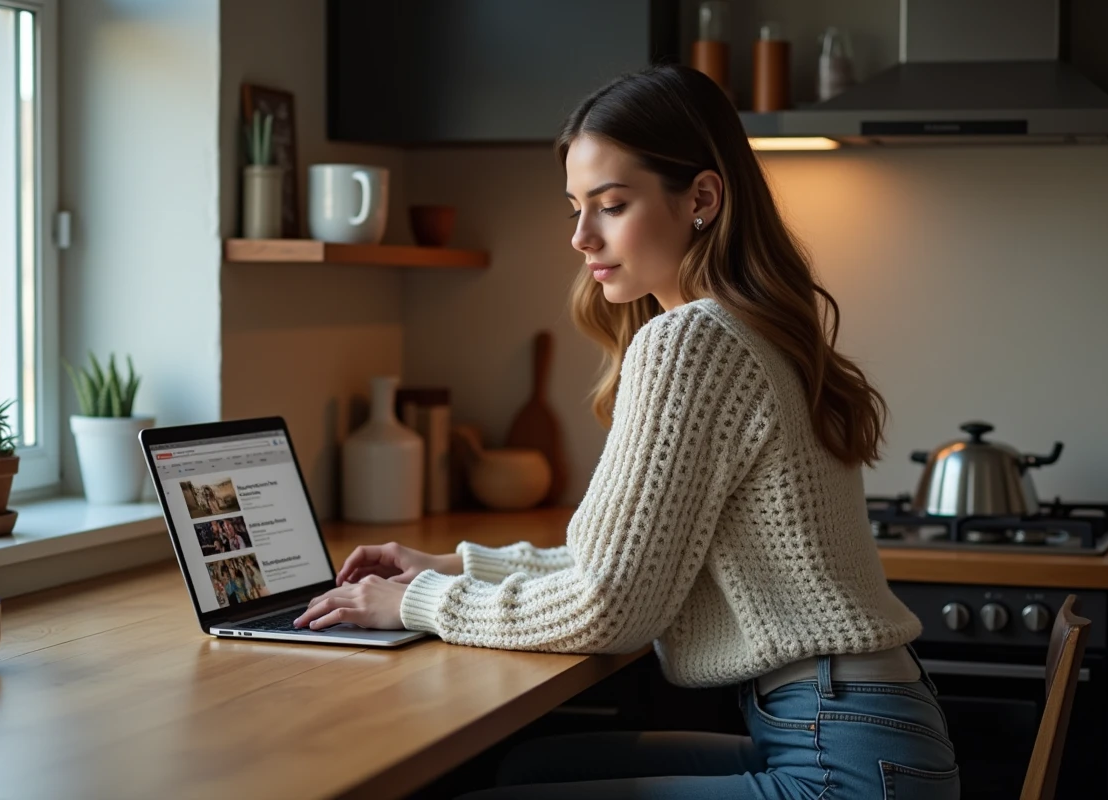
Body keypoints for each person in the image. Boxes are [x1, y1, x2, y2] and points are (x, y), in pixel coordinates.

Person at [293, 64, 957, 799]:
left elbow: (610, 607)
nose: (581, 237)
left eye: (610, 205)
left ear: (702, 198)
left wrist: (410, 603)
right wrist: (450, 566)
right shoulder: (747, 327)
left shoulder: (693, 340)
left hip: (842, 762)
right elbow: (615, 566)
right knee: (525, 770)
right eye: (575, 207)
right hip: (862, 733)